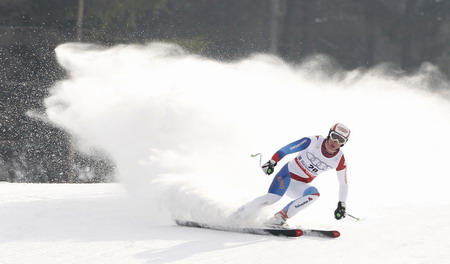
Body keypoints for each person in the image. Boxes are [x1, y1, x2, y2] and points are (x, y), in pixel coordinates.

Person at [236, 123, 350, 227]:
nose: (335, 142)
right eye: (334, 136)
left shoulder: (339, 159)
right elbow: (287, 149)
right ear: (329, 134)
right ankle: (240, 213)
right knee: (273, 198)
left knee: (314, 194)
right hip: (286, 176)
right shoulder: (314, 141)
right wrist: (272, 161)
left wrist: (342, 204)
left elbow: (343, 184)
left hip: (299, 186)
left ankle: (279, 218)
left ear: (344, 143)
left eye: (341, 140)